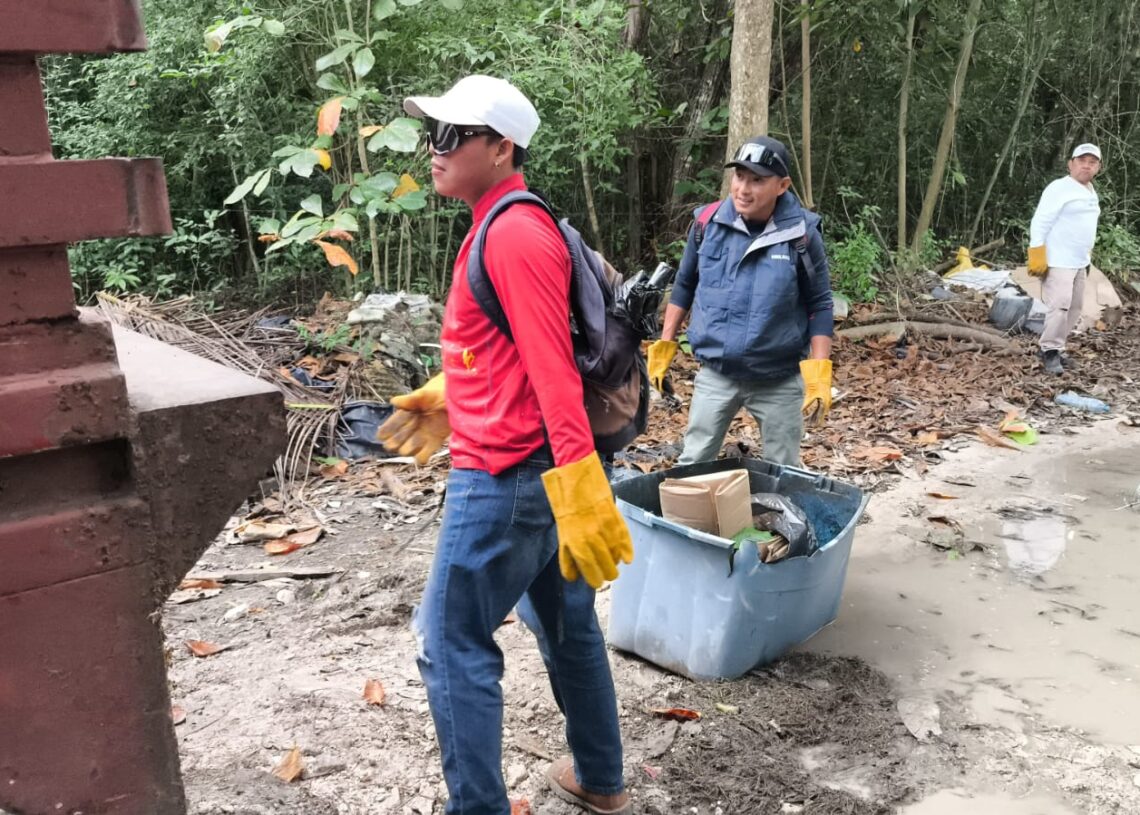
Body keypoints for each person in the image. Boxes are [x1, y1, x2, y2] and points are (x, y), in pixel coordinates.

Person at [377, 75, 633, 815]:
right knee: (566, 625)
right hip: (536, 471)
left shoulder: (514, 233)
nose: (434, 148)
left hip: (509, 477)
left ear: (501, 147)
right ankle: (600, 779)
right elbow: (508, 351)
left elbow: (553, 371)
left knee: (449, 641)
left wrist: (580, 484)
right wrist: (451, 395)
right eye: (432, 132)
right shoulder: (499, 222)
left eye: (451, 134)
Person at [646, 135, 834, 467]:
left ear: (782, 185)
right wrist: (665, 344)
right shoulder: (707, 223)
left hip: (778, 376)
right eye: (739, 176)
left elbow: (819, 303)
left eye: (757, 180)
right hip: (717, 372)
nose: (743, 189)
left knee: (784, 470)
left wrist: (819, 371)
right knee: (694, 462)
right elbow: (685, 284)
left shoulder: (802, 234)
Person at [1028, 143, 1103, 375]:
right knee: (1059, 306)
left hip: (1079, 261)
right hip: (1058, 259)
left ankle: (1058, 348)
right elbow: (1040, 221)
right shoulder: (1059, 188)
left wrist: (1087, 257)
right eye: (1082, 161)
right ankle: (1048, 350)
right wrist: (1036, 251)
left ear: (1098, 167)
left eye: (1092, 162)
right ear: (1071, 164)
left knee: (1075, 307)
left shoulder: (1090, 191)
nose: (1086, 166)